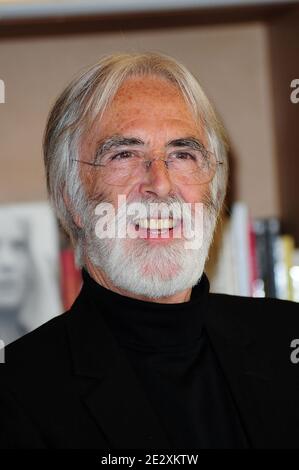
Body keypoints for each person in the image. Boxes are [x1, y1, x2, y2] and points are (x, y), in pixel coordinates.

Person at [0, 52, 298, 449]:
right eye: (124, 155)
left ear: (214, 189)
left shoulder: (288, 339)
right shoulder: (17, 391)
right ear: (71, 198)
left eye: (183, 154)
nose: (160, 184)